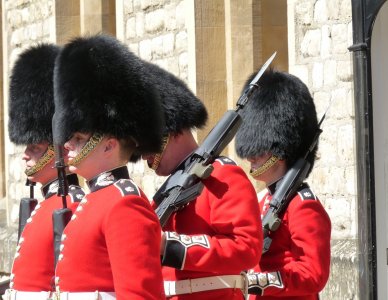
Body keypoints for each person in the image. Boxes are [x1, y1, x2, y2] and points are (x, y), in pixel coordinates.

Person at [51, 34, 166, 300]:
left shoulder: (124, 203)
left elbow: (139, 295)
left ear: (108, 145)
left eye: (78, 138)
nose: (67, 144)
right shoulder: (94, 201)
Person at [141, 62, 263, 300]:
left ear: (172, 131)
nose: (144, 156)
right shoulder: (166, 190)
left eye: (147, 145)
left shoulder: (222, 175)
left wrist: (169, 246)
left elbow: (246, 249)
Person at [235, 69, 332, 299]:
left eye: (260, 150)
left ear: (280, 149)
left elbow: (313, 272)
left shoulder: (302, 205)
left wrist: (261, 281)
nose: (251, 156)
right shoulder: (263, 201)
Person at [5, 44, 85, 299]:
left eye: (36, 147)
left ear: (57, 151)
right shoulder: (44, 205)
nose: (26, 154)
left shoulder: (72, 203)